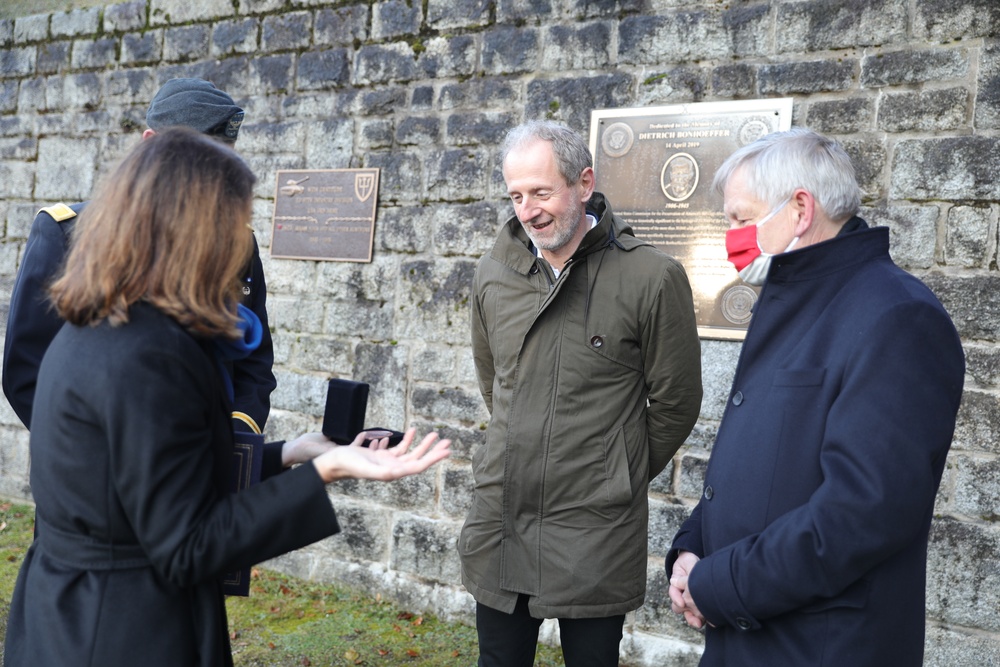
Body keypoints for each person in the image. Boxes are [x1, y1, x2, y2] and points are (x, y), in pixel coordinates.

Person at [2, 128, 452, 667]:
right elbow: (187, 544)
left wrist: (291, 453)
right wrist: (327, 469)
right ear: (194, 228)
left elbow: (157, 476)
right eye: (233, 219)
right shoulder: (148, 355)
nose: (240, 237)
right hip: (118, 630)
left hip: (71, 615)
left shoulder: (106, 322)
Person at [666, 128, 965, 665]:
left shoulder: (896, 316)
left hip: (821, 647)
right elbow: (760, 462)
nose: (731, 235)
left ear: (800, 209)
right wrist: (693, 548)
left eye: (740, 218)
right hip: (747, 637)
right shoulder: (793, 304)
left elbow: (861, 513)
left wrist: (719, 584)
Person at [461, 120, 703, 666]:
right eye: (517, 195)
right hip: (504, 511)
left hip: (595, 523)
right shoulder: (494, 272)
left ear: (584, 182)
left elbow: (677, 401)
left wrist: (615, 467)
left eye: (542, 192)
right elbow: (494, 382)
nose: (528, 210)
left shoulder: (652, 276)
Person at [3, 77, 275, 436]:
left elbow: (253, 365)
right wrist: (88, 459)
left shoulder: (237, 241)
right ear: (151, 144)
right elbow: (27, 369)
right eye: (203, 155)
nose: (215, 175)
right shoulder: (67, 233)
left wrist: (234, 440)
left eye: (225, 156)